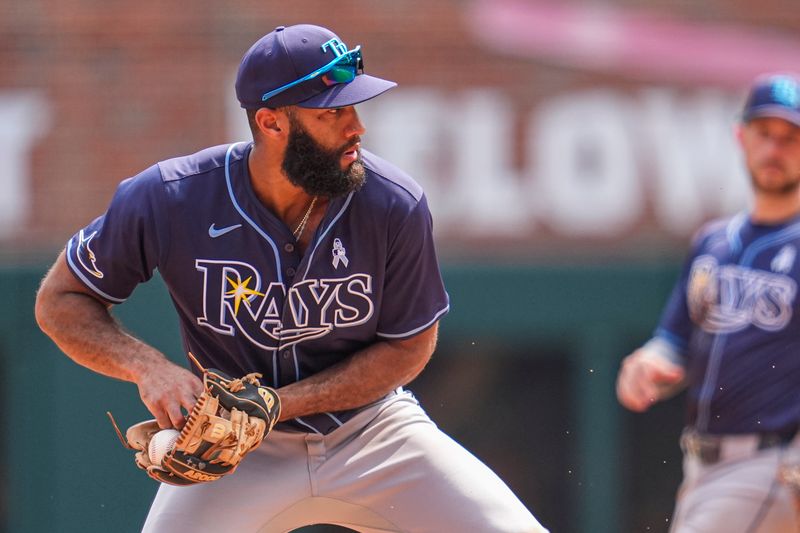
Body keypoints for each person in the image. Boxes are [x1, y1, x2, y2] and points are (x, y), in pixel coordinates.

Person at [34, 23, 547, 533]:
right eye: (333, 112)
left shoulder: (393, 203)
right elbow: (61, 300)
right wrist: (149, 369)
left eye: (354, 106)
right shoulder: (171, 198)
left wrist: (279, 405)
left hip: (373, 431)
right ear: (271, 122)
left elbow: (409, 348)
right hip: (236, 452)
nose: (356, 127)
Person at [616, 72, 800, 532]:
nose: (775, 149)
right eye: (765, 134)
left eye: (790, 137)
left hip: (773, 461)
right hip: (703, 464)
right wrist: (648, 362)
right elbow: (674, 339)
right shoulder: (713, 241)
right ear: (742, 137)